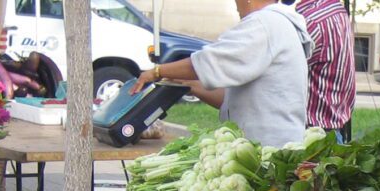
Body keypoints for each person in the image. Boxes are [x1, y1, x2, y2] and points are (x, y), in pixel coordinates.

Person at [131, 0, 313, 148]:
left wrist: (157, 71)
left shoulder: (264, 24)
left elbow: (209, 61)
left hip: (271, 150)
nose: (235, 6)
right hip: (269, 145)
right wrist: (189, 85)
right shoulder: (276, 24)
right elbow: (231, 100)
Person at [295, 0, 356, 140]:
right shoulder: (336, 11)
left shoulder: (311, 21)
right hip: (330, 132)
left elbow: (275, 72)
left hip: (310, 138)